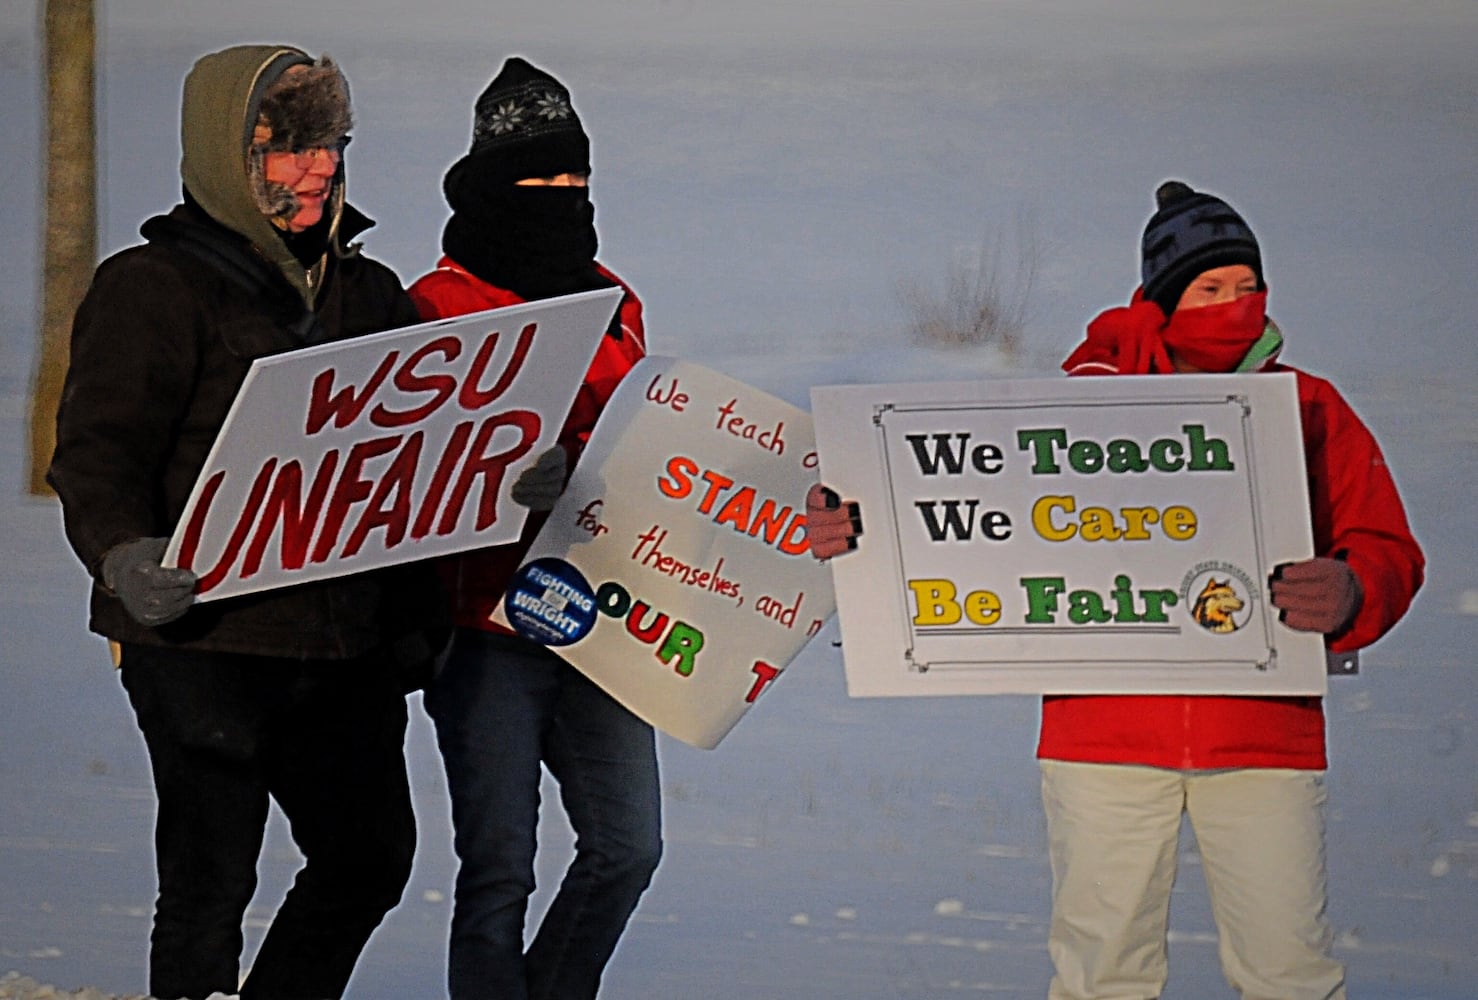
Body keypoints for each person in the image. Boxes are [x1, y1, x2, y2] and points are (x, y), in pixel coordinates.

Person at [808, 181, 1425, 999]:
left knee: (1289, 973)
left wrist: (1353, 590)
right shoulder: (1073, 412)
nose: (1236, 306)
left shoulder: (1310, 408)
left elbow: (1389, 548)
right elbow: (956, 516)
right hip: (1102, 736)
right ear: (1163, 299)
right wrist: (857, 528)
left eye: (1249, 287)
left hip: (1264, 736)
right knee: (1102, 974)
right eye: (1211, 289)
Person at [47, 45, 448, 1000]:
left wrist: (514, 476)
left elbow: (428, 453)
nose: (317, 170)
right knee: (209, 877)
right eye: (288, 150)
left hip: (340, 635)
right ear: (229, 156)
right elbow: (96, 453)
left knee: (369, 857)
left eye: (332, 147)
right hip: (202, 632)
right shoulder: (152, 287)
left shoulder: (371, 294)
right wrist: (123, 556)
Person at [408, 57, 661, 1000]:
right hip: (484, 628)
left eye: (575, 179)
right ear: (488, 183)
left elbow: (644, 431)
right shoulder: (436, 307)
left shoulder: (615, 298)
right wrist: (503, 478)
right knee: (498, 872)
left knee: (630, 847)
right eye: (540, 179)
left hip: (604, 613)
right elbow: (408, 474)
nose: (562, 197)